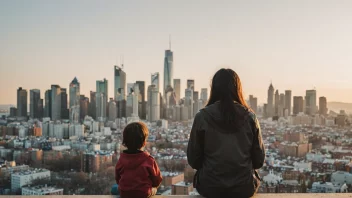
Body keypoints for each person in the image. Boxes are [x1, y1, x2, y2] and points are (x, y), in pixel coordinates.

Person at [187, 68, 265, 198]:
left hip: (210, 187)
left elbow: (194, 160)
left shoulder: (202, 117)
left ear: (214, 89)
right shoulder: (250, 117)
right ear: (237, 89)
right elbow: (259, 161)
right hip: (243, 188)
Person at [115, 122, 162, 198]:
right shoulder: (149, 160)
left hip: (124, 193)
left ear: (125, 142)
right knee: (154, 190)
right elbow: (157, 180)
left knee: (114, 189)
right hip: (143, 193)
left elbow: (118, 179)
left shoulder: (121, 160)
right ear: (144, 142)